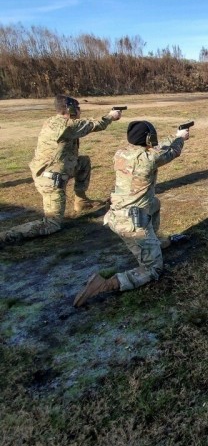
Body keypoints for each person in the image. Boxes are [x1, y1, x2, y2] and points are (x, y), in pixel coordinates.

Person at [73, 120, 190, 307]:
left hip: (119, 213)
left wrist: (175, 134)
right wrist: (180, 139)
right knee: (153, 269)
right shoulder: (149, 159)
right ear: (149, 138)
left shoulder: (121, 153)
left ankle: (155, 243)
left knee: (154, 203)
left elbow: (156, 148)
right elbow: (171, 152)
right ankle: (103, 284)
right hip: (131, 223)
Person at [0, 95, 122, 244]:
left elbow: (81, 123)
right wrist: (111, 116)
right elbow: (94, 125)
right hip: (50, 180)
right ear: (70, 109)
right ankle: (7, 235)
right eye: (78, 108)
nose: (80, 111)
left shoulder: (53, 121)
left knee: (83, 162)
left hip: (57, 170)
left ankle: (81, 200)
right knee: (52, 224)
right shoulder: (66, 126)